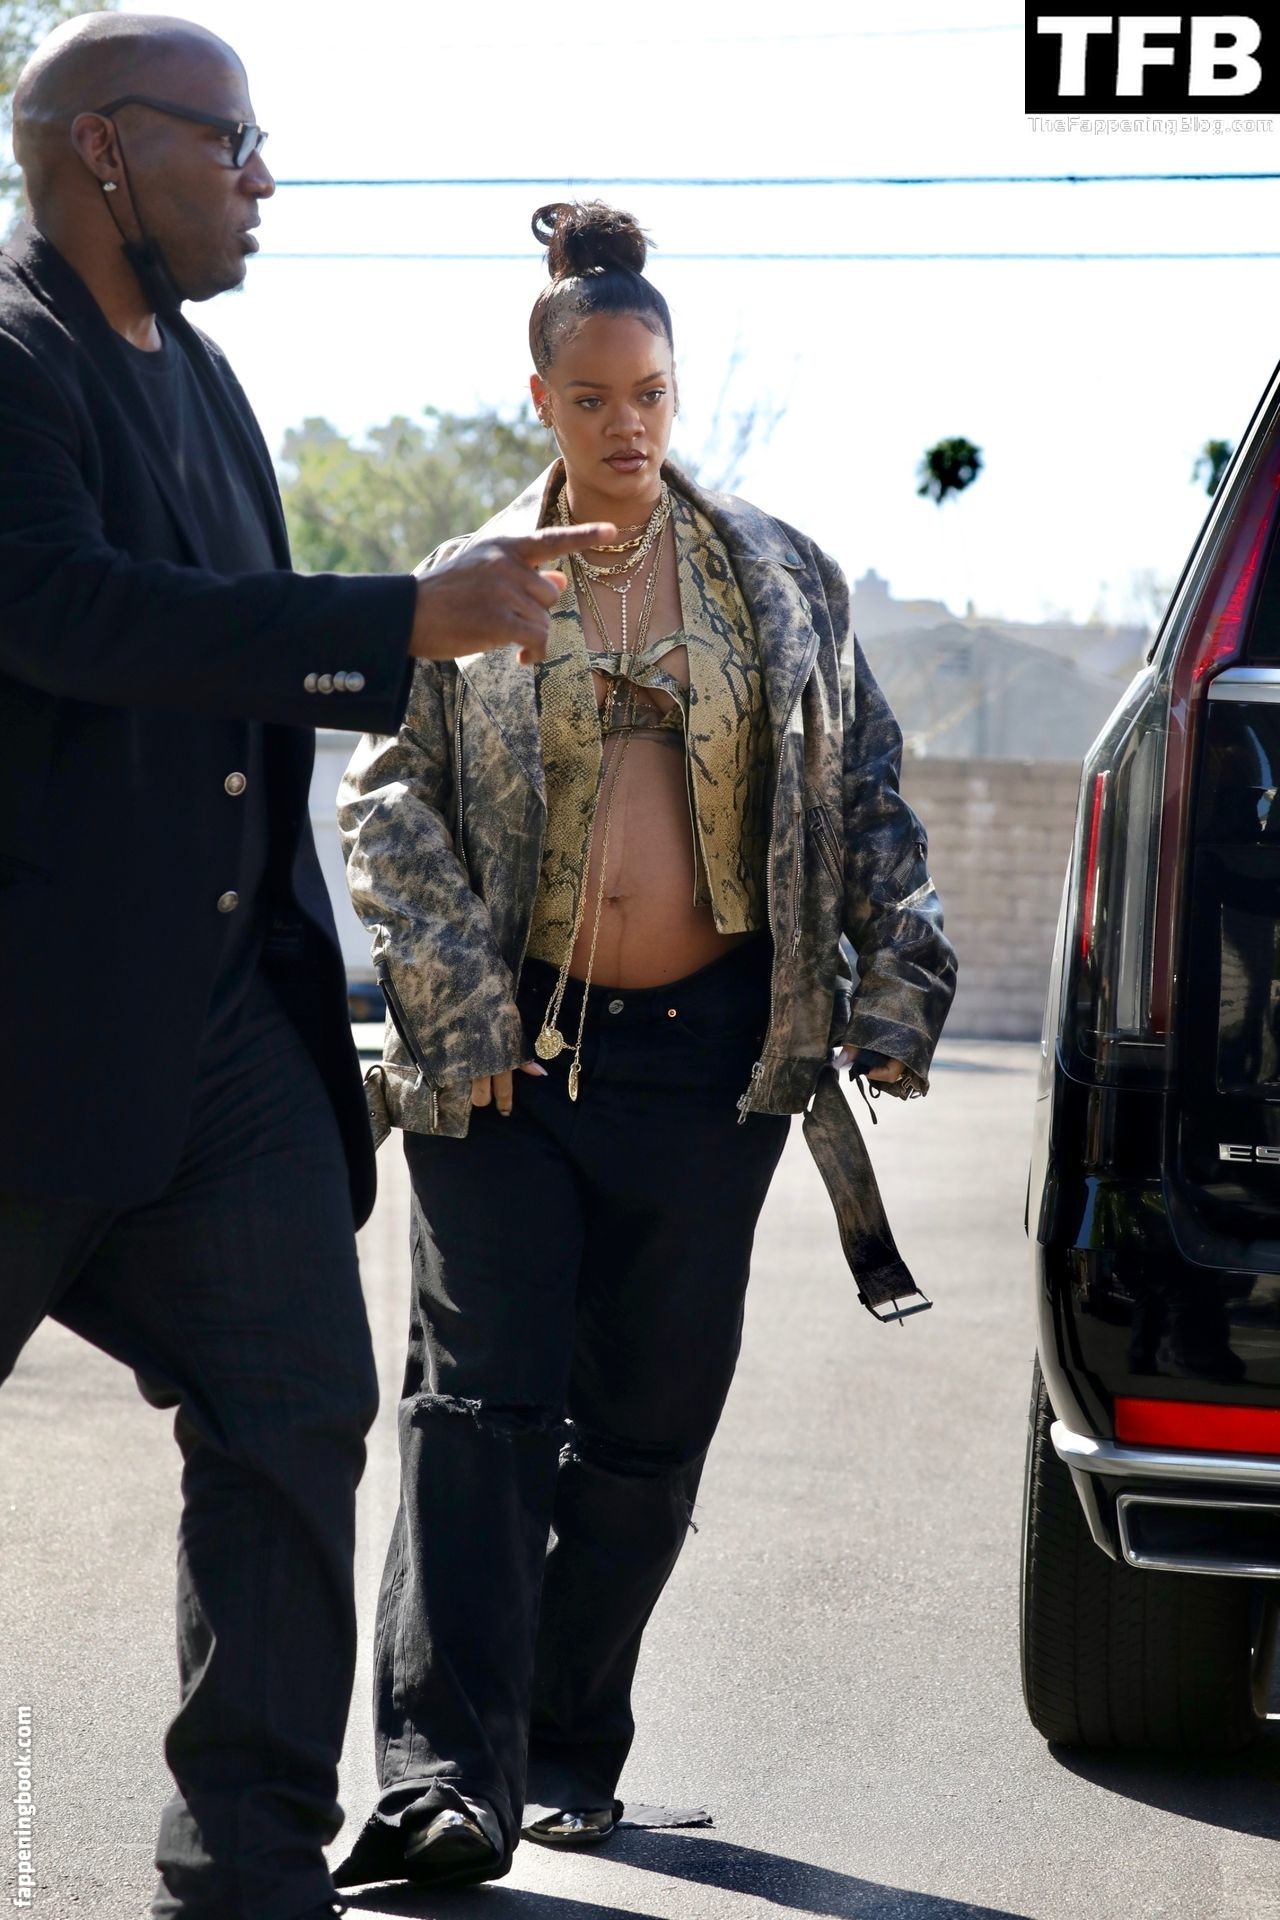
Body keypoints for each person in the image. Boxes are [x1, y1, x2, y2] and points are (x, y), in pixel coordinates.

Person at [0, 19, 609, 1920]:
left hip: (220, 1041)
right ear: (105, 150)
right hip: (26, 1040)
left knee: (293, 1418)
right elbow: (66, 611)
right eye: (236, 142)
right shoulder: (7, 357)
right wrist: (396, 618)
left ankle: (245, 1870)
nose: (264, 180)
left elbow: (242, 677)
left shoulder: (208, 381)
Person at [333, 200, 958, 1894]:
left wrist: (898, 981)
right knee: (477, 1412)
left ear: (676, 392)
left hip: (713, 1062)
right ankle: (445, 1779)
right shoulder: (473, 578)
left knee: (647, 1432)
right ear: (540, 397)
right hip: (507, 1061)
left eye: (653, 395)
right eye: (595, 397)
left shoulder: (777, 575)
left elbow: (862, 783)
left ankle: (562, 1743)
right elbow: (386, 802)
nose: (628, 425)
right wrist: (454, 1003)